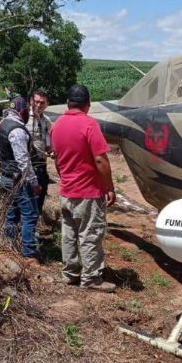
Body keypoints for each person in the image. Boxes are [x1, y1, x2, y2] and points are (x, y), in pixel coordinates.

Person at [50, 84, 117, 292]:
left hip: (66, 191)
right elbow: (100, 160)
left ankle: (70, 273)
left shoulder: (56, 126)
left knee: (69, 234)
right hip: (88, 192)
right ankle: (91, 278)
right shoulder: (89, 124)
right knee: (90, 235)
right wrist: (109, 187)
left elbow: (57, 160)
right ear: (88, 104)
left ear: (68, 103)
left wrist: (66, 178)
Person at [0, 97, 42, 262]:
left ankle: (10, 245)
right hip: (19, 179)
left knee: (12, 212)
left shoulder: (3, 124)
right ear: (21, 111)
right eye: (26, 110)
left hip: (6, 176)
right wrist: (34, 183)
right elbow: (23, 161)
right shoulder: (17, 131)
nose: (28, 113)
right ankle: (28, 252)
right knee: (30, 215)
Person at [26, 88, 54, 214]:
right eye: (36, 101)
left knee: (40, 196)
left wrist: (51, 151)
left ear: (47, 104)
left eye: (42, 102)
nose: (38, 105)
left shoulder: (46, 121)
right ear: (31, 101)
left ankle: (35, 222)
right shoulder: (24, 117)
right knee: (26, 198)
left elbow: (49, 141)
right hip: (27, 164)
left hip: (41, 164)